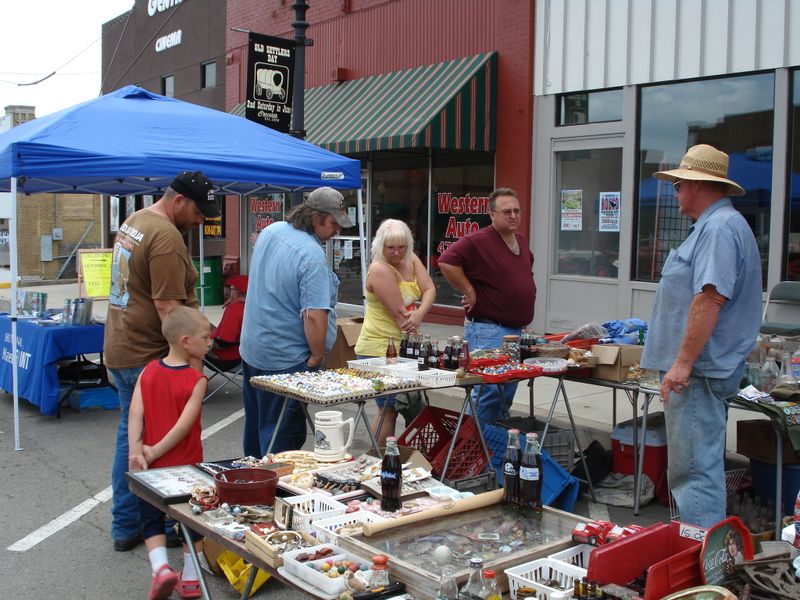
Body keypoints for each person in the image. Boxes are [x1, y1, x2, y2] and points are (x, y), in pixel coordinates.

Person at [641, 144, 762, 528]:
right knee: (699, 465)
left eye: (678, 184)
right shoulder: (718, 226)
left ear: (697, 184)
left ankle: (705, 569)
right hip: (703, 371)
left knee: (694, 472)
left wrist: (682, 364)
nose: (675, 191)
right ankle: (707, 558)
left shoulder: (719, 228)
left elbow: (710, 299)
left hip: (699, 373)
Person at [104, 170, 218, 552]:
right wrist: (193, 368)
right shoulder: (167, 237)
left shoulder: (136, 219)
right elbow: (169, 309)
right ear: (178, 201)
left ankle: (128, 523)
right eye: (199, 213)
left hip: (122, 346)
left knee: (130, 434)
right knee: (157, 444)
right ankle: (149, 520)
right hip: (145, 352)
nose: (201, 220)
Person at [240, 187, 354, 457]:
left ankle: (251, 482)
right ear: (316, 218)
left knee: (257, 427)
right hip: (285, 359)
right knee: (282, 440)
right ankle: (272, 489)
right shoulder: (312, 257)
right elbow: (315, 316)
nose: (337, 230)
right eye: (334, 223)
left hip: (254, 349)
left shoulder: (272, 231)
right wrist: (315, 358)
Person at [128, 306, 210, 600]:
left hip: (151, 469)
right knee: (192, 520)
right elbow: (183, 428)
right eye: (206, 337)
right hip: (187, 468)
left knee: (150, 517)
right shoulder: (196, 381)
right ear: (186, 341)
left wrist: (137, 451)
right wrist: (154, 451)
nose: (210, 341)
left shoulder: (148, 371)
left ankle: (161, 568)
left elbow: (135, 414)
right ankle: (190, 578)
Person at [438, 188, 537, 427]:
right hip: (489, 330)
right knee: (488, 393)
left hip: (513, 331)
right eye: (506, 212)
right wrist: (469, 291)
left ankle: (495, 445)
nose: (513, 215)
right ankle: (471, 448)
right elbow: (446, 262)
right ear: (492, 214)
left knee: (506, 392)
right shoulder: (478, 240)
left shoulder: (521, 242)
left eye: (516, 211)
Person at [354, 219, 436, 445]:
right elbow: (402, 317)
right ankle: (379, 459)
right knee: (388, 408)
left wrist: (419, 315)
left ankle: (383, 458)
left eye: (401, 247)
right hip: (379, 347)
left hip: (404, 345)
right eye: (391, 247)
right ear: (380, 245)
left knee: (397, 406)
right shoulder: (380, 269)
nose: (397, 252)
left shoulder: (412, 259)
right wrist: (416, 319)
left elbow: (430, 289)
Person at [206, 274, 248, 372]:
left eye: (231, 289)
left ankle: (192, 382)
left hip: (227, 359)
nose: (228, 291)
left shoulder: (234, 309)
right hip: (244, 355)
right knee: (203, 324)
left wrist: (206, 344)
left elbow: (225, 342)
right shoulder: (252, 306)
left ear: (236, 293)